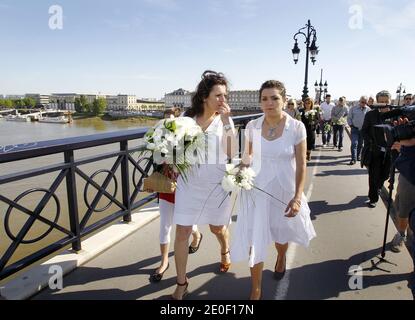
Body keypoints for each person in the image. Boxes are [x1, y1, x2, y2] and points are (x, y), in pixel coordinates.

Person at [231, 80, 316, 300]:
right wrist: (238, 171)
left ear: (284, 100)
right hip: (256, 191)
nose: (269, 103)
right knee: (255, 237)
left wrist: (298, 197)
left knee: (280, 234)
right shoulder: (252, 126)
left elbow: (302, 164)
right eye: (265, 99)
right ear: (260, 102)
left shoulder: (296, 127)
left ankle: (280, 257)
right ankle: (256, 289)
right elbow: (247, 157)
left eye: (275, 98)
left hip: (283, 190)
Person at [171, 70, 238, 300]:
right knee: (182, 232)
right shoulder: (186, 120)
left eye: (224, 95)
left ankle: (224, 249)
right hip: (188, 185)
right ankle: (182, 282)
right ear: (204, 97)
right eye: (218, 95)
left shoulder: (224, 122)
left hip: (216, 184)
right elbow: (176, 150)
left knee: (217, 228)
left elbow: (232, 152)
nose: (223, 100)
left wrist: (228, 122)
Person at [148, 108, 203, 283]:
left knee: (186, 225)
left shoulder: (189, 141)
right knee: (165, 226)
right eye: (165, 121)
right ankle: (164, 261)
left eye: (171, 121)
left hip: (185, 190)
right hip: (166, 189)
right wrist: (152, 181)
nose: (168, 125)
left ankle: (197, 235)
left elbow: (197, 165)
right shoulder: (160, 140)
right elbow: (155, 164)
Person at [361, 90, 392, 208]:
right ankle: (373, 198)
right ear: (377, 102)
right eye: (381, 102)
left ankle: (378, 187)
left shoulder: (395, 114)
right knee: (374, 175)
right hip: (374, 151)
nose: (384, 104)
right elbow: (364, 131)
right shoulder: (370, 115)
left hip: (390, 152)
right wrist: (371, 141)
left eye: (386, 102)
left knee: (385, 175)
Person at [347, 96, 371, 165]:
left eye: (365, 102)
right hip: (355, 129)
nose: (363, 104)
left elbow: (370, 119)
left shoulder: (368, 109)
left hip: (363, 130)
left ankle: (358, 156)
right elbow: (349, 118)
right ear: (359, 101)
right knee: (354, 143)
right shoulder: (353, 108)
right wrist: (351, 125)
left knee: (360, 144)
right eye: (362, 102)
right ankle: (353, 159)